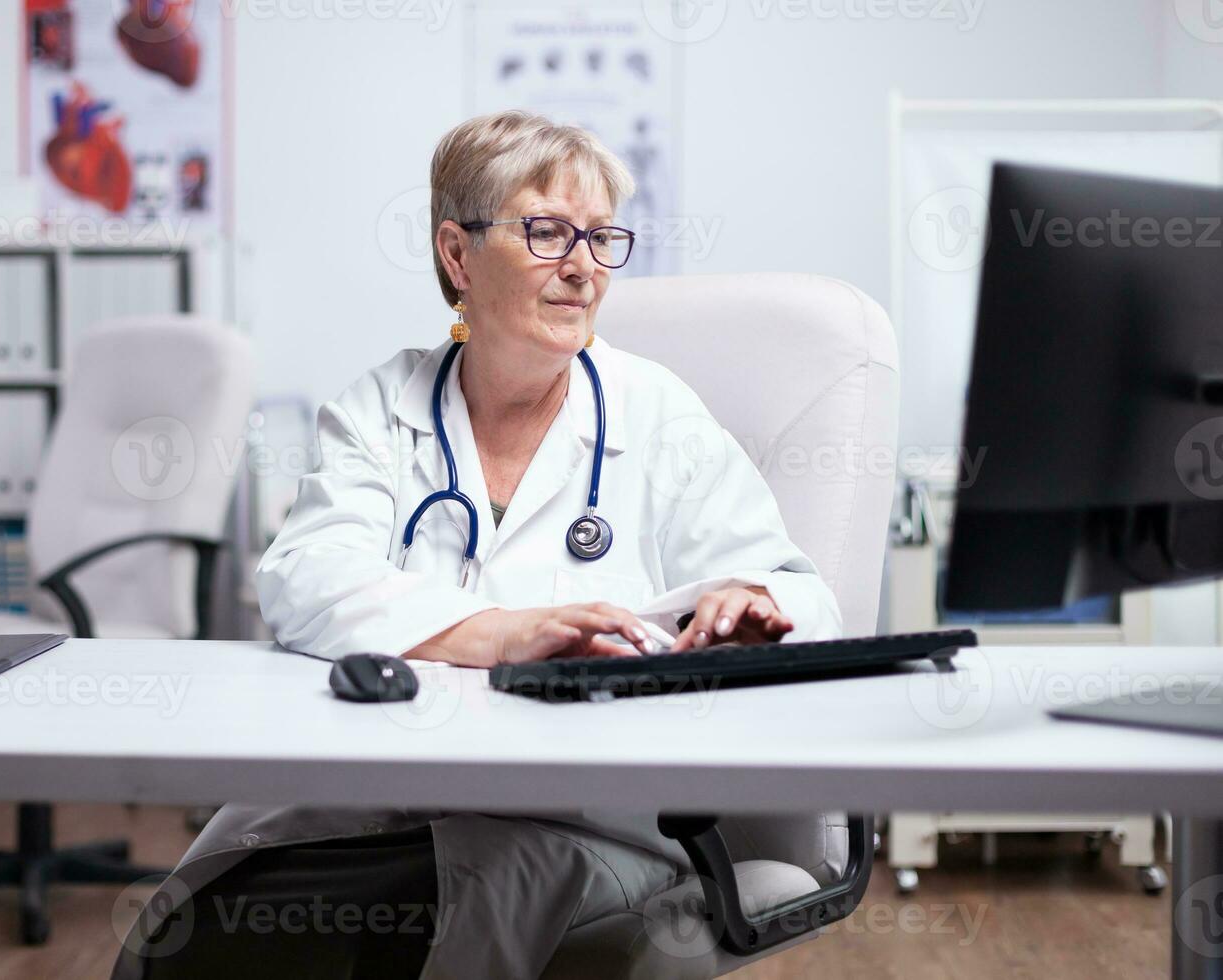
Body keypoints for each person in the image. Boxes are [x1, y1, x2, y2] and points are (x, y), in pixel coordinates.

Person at [113, 109, 841, 980]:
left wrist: (755, 606)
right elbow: (306, 577)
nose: (582, 266)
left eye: (601, 238)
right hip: (379, 805)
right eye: (546, 232)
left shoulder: (657, 415)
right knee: (194, 933)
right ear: (457, 255)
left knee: (479, 887)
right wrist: (503, 633)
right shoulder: (385, 409)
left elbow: (805, 593)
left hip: (586, 821)